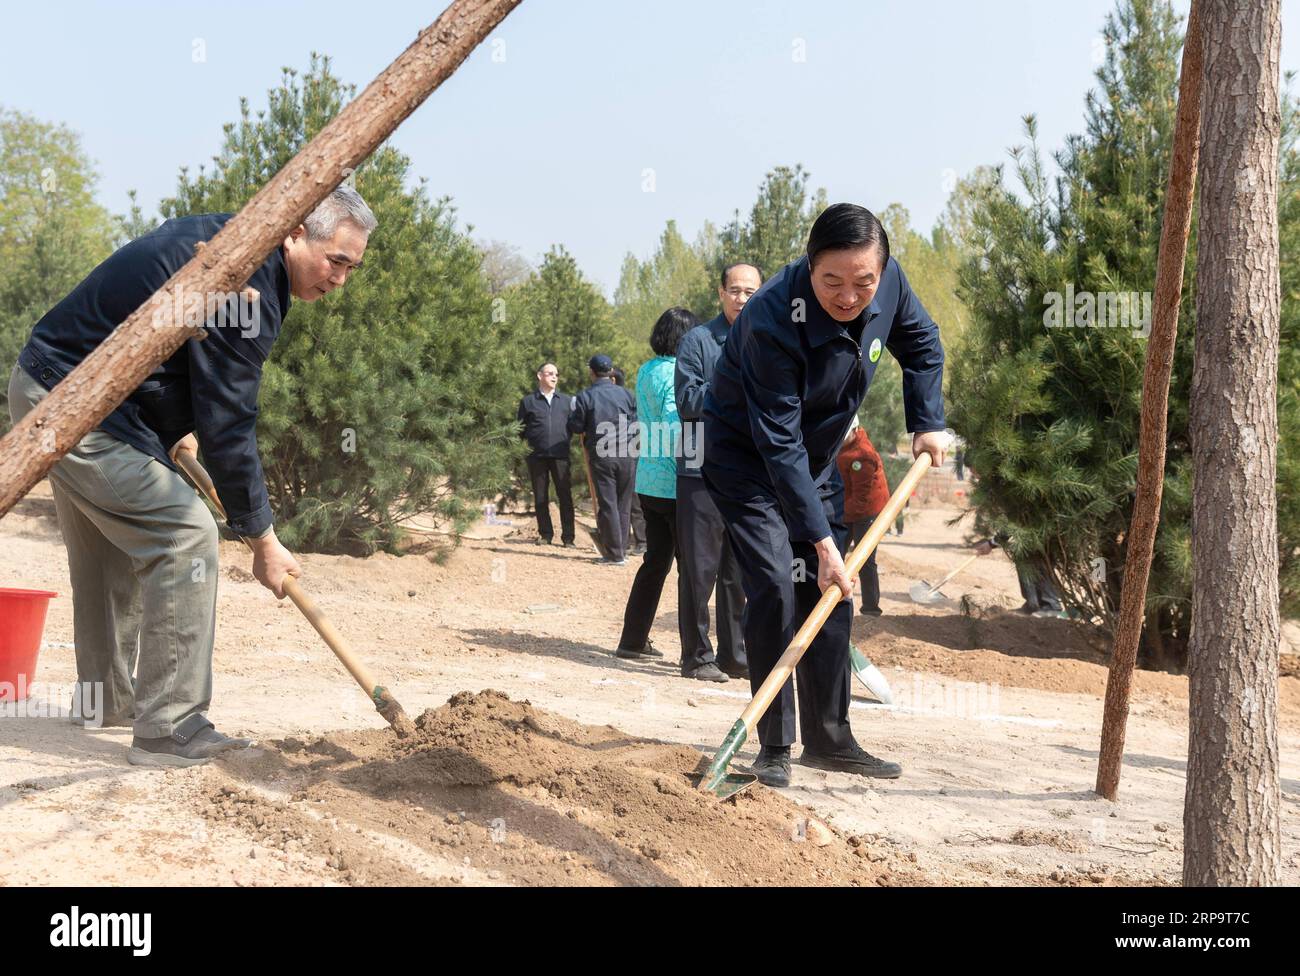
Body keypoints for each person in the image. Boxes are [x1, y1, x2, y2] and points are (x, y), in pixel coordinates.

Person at [7, 186, 376, 767]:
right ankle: (170, 728)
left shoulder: (228, 238)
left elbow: (163, 340)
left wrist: (163, 424)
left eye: (352, 267)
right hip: (72, 403)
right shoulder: (245, 286)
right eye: (337, 261)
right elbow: (229, 423)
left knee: (109, 551)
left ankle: (104, 701)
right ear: (295, 233)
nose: (341, 280)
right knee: (184, 535)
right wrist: (264, 540)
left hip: (62, 387)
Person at [703, 203, 947, 788]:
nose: (848, 295)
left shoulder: (886, 286)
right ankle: (774, 742)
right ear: (808, 267)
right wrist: (818, 539)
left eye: (863, 282)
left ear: (882, 272)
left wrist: (927, 418)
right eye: (831, 281)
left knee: (832, 590)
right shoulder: (768, 321)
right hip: (748, 460)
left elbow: (924, 343)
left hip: (813, 456)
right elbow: (777, 444)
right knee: (774, 585)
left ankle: (831, 737)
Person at [673, 263, 760, 680]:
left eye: (750, 291)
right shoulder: (697, 341)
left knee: (736, 572)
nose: (742, 299)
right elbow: (689, 401)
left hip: (746, 471)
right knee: (699, 569)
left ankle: (735, 656)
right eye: (735, 290)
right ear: (721, 293)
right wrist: (736, 383)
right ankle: (696, 657)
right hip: (699, 469)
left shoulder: (766, 340)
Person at [615, 309, 698, 663]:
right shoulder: (677, 372)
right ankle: (693, 651)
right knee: (691, 568)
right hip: (675, 482)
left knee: (655, 562)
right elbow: (672, 420)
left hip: (648, 479)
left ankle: (632, 640)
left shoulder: (646, 369)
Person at [568, 354, 638, 565]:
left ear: (592, 372)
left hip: (602, 455)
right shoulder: (627, 394)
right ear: (611, 371)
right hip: (628, 455)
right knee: (623, 504)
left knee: (608, 504)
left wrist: (574, 418)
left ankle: (615, 554)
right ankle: (621, 549)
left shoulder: (585, 396)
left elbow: (576, 427)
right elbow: (637, 424)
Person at [835, 414, 891, 616]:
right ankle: (832, 602)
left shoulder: (862, 456)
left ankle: (871, 608)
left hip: (868, 511)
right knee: (835, 555)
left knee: (864, 559)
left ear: (854, 430)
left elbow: (862, 499)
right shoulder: (841, 447)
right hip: (847, 508)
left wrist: (838, 516)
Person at [516, 363, 576, 547]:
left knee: (565, 496)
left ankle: (568, 538)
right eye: (550, 373)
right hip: (537, 456)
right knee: (541, 496)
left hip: (560, 455)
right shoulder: (528, 402)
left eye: (556, 374)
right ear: (539, 376)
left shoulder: (567, 401)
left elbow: (574, 426)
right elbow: (520, 429)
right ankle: (545, 535)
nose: (554, 377)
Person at [611, 365, 647, 556]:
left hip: (632, 454)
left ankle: (641, 541)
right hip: (621, 455)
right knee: (623, 501)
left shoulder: (628, 399)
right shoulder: (621, 399)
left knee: (634, 501)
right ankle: (623, 541)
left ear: (614, 380)